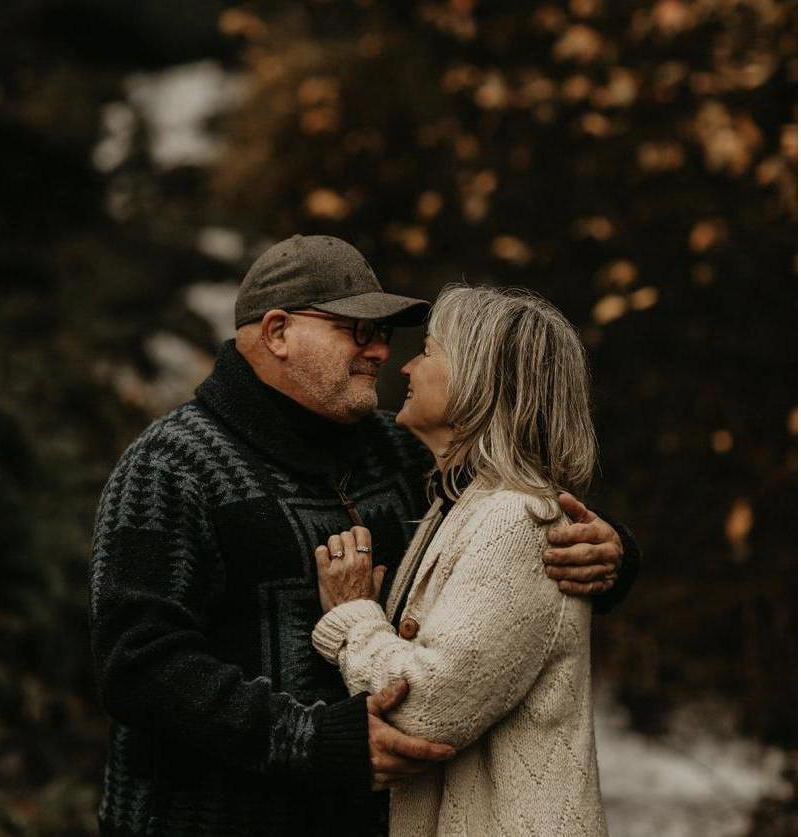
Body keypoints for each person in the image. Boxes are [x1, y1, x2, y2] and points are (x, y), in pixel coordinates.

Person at [89, 236, 639, 836]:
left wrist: (610, 554)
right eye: (357, 331)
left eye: (384, 332)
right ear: (277, 332)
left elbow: (512, 531)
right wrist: (310, 740)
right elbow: (138, 664)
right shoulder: (170, 466)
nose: (380, 350)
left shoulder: (401, 451)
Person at [312, 285, 611, 835]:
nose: (406, 367)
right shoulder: (458, 505)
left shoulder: (516, 519)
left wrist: (351, 619)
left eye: (427, 351)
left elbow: (423, 711)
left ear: (479, 378)